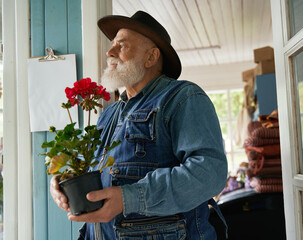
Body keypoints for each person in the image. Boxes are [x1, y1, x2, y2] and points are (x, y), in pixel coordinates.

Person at [50, 11, 228, 239]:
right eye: (112, 45)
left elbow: (209, 173)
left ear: (151, 57)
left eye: (121, 46)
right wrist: (61, 184)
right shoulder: (109, 113)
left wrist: (129, 198)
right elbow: (94, 172)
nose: (110, 52)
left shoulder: (183, 97)